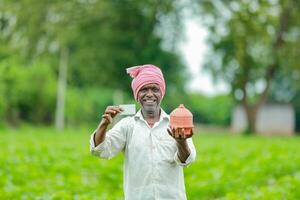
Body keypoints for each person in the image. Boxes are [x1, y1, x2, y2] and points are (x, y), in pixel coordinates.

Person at [90, 64, 196, 200]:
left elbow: (186, 160)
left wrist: (181, 142)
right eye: (144, 89)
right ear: (137, 95)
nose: (150, 94)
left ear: (161, 93)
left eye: (155, 89)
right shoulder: (127, 126)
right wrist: (104, 124)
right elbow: (100, 150)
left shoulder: (176, 123)